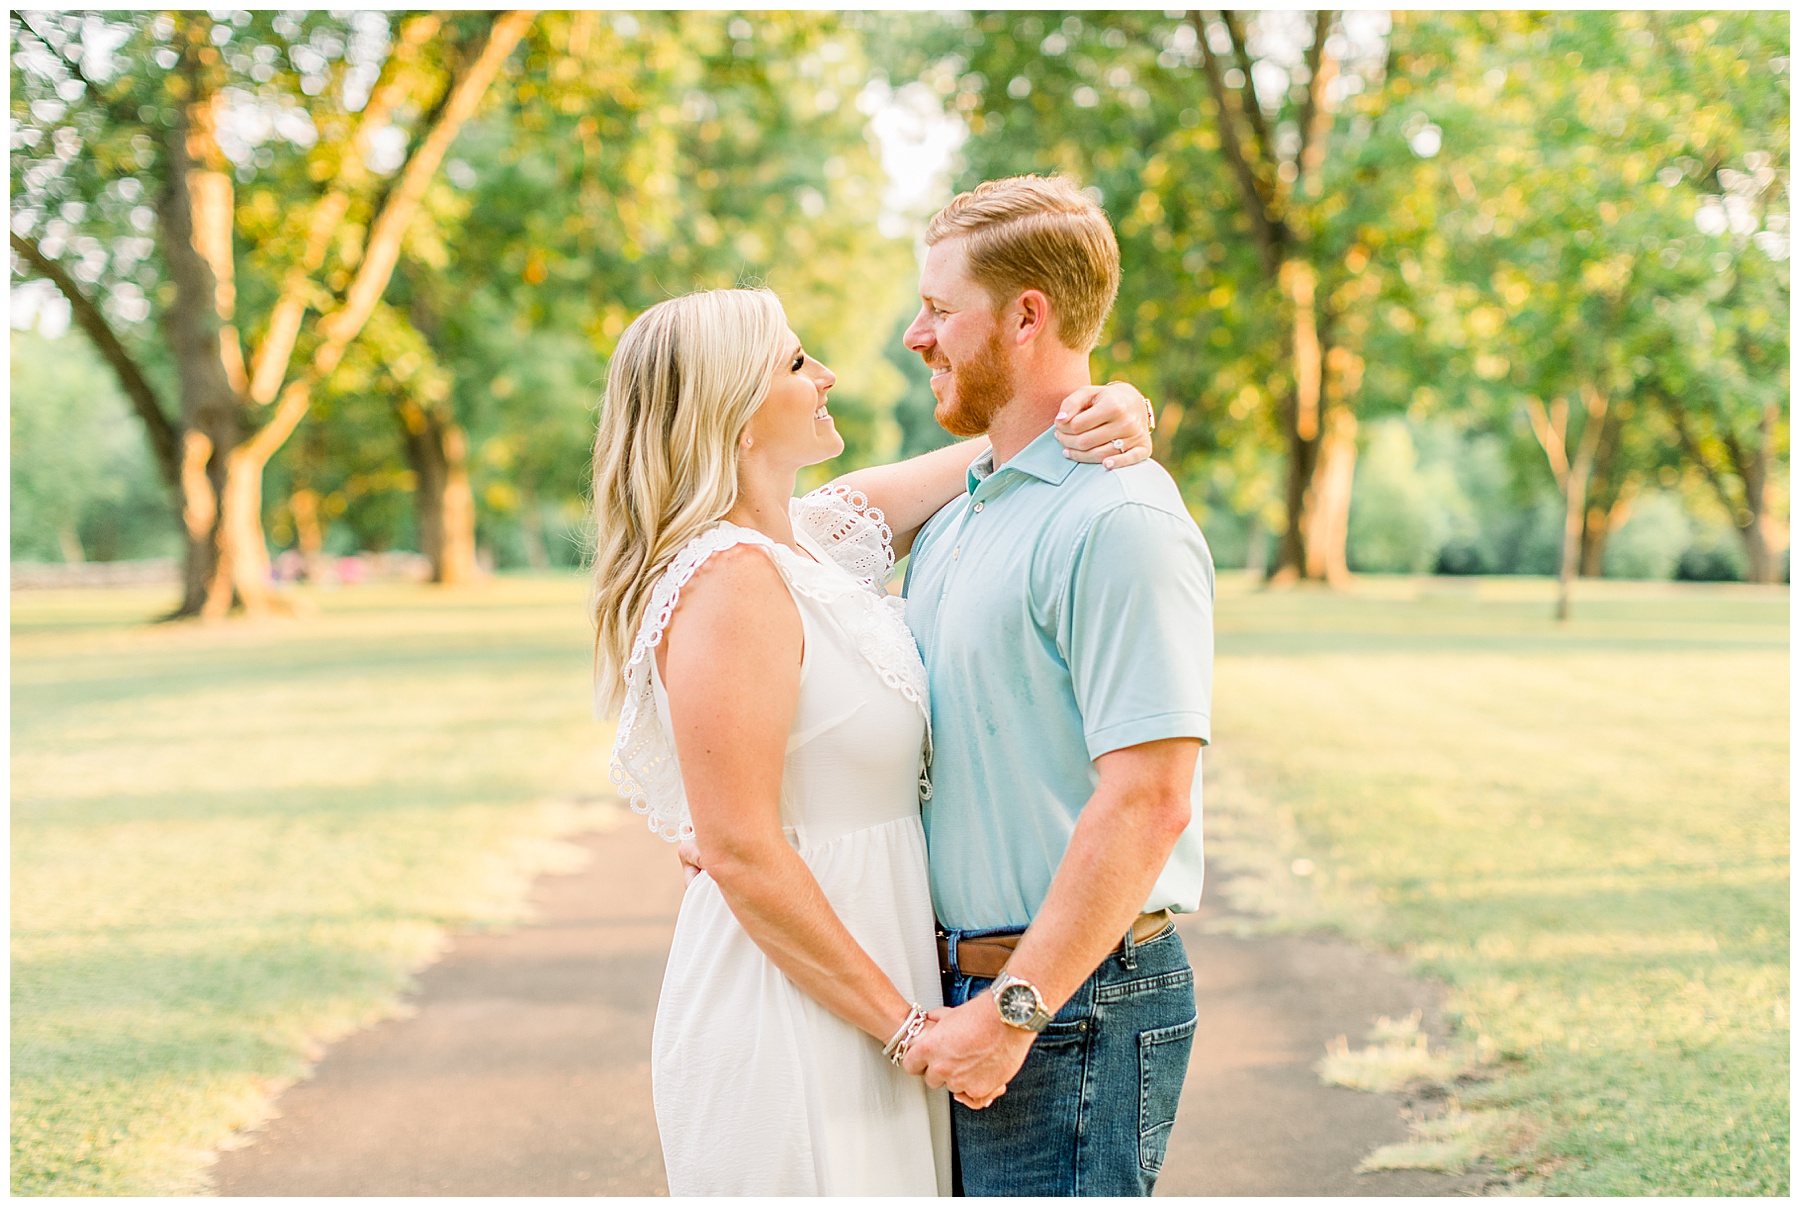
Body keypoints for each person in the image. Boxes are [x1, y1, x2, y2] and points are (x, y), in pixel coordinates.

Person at [587, 286, 1155, 1195]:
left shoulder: (810, 541)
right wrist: (907, 1028)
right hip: (800, 1008)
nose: (827, 375)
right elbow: (739, 848)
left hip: (873, 986)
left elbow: (1006, 447)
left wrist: (1113, 403)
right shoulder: (730, 582)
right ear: (733, 412)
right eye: (796, 361)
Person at [888, 175, 1216, 1197]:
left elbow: (1150, 799)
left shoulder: (1121, 524)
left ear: (1028, 315)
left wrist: (1011, 1012)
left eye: (941, 310)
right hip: (954, 999)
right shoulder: (957, 515)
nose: (915, 335)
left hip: (1068, 1012)